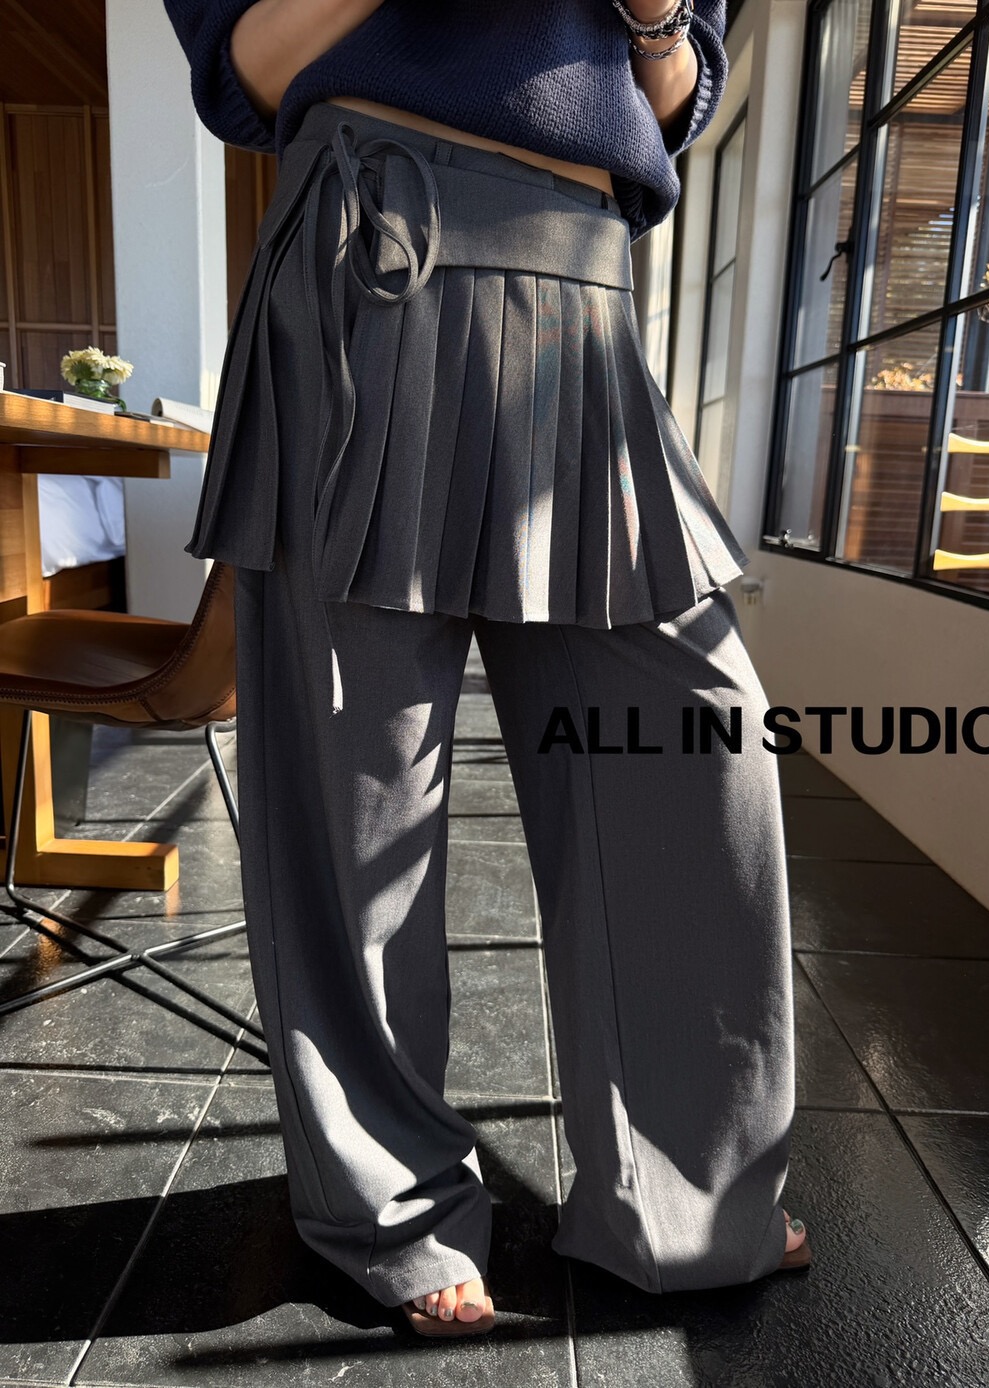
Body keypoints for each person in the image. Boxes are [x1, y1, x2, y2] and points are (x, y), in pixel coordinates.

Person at [162, 0, 811, 1339]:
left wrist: (653, 16)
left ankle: (687, 1195)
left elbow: (674, 106)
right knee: (358, 794)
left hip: (587, 294)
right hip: (372, 257)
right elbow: (245, 69)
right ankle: (392, 1207)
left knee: (700, 740)